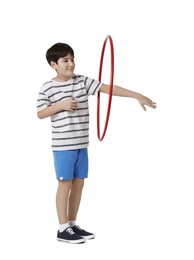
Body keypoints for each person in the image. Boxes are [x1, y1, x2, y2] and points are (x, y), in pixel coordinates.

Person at [37, 42, 157, 244]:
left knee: (79, 184)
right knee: (64, 184)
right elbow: (40, 113)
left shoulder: (82, 81)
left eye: (72, 59)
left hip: (81, 144)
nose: (71, 64)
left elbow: (108, 88)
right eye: (65, 60)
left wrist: (137, 95)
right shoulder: (47, 87)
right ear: (53, 64)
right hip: (63, 146)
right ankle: (62, 228)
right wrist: (61, 105)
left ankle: (72, 224)